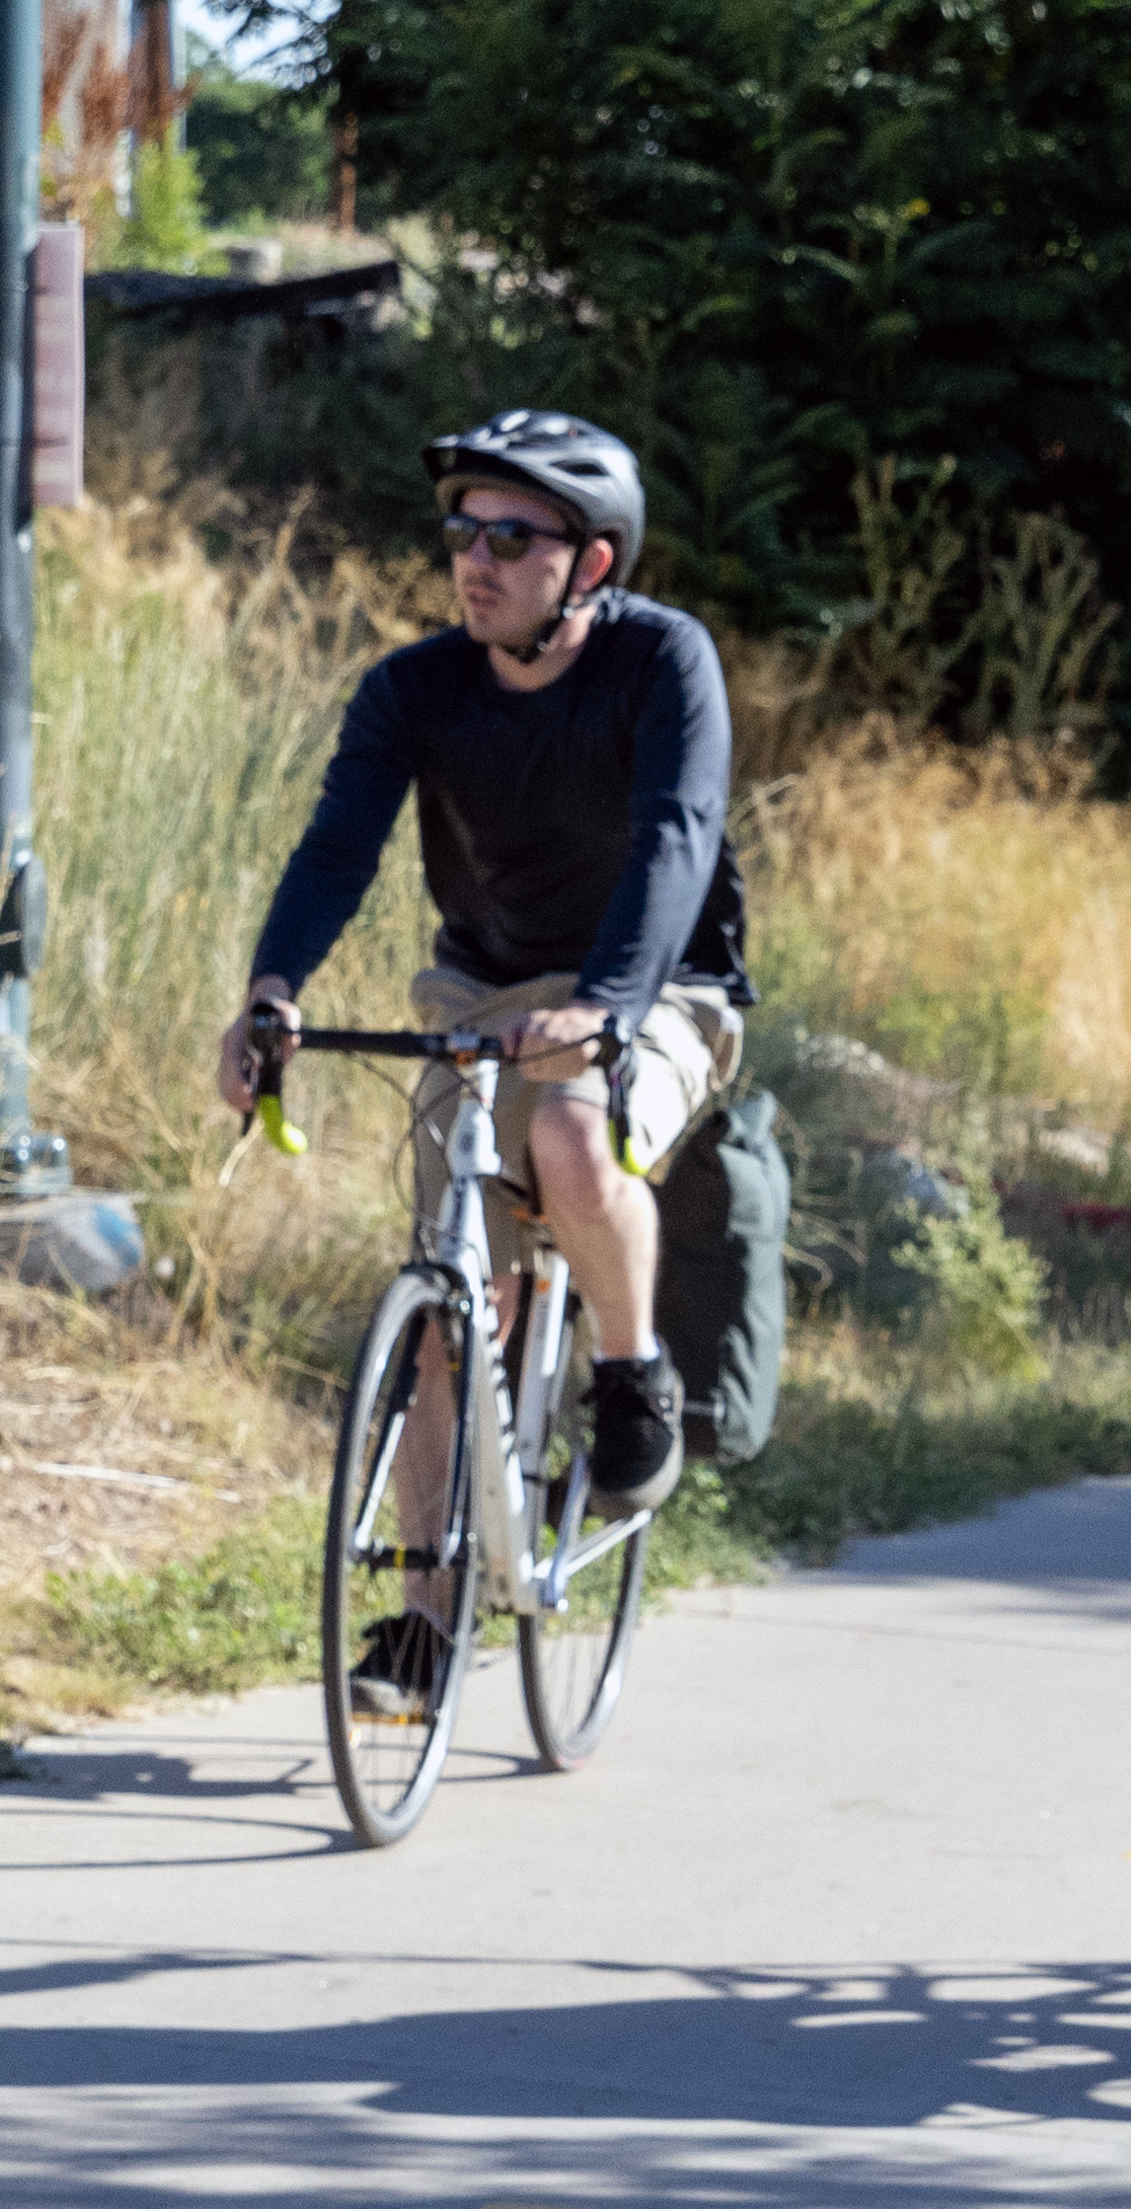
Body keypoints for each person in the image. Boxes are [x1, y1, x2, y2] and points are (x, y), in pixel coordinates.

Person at [216, 409, 754, 1722]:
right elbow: (339, 844)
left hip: (663, 980)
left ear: (594, 562)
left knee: (573, 1141)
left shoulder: (662, 663)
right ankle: (417, 1629)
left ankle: (629, 1377)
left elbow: (675, 839)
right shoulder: (414, 689)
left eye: (513, 535)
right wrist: (271, 990)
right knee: (457, 1313)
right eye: (462, 528)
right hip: (484, 990)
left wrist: (610, 1010)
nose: (476, 556)